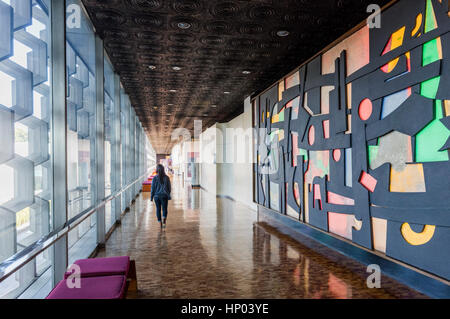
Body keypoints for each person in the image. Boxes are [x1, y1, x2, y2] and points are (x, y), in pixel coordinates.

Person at [151, 164, 172, 229]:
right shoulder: (167, 177)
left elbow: (152, 188)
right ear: (163, 170)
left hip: (156, 196)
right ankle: (164, 222)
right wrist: (168, 194)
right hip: (164, 196)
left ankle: (160, 224)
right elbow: (169, 188)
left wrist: (151, 197)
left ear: (157, 170)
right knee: (164, 209)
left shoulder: (154, 178)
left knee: (158, 209)